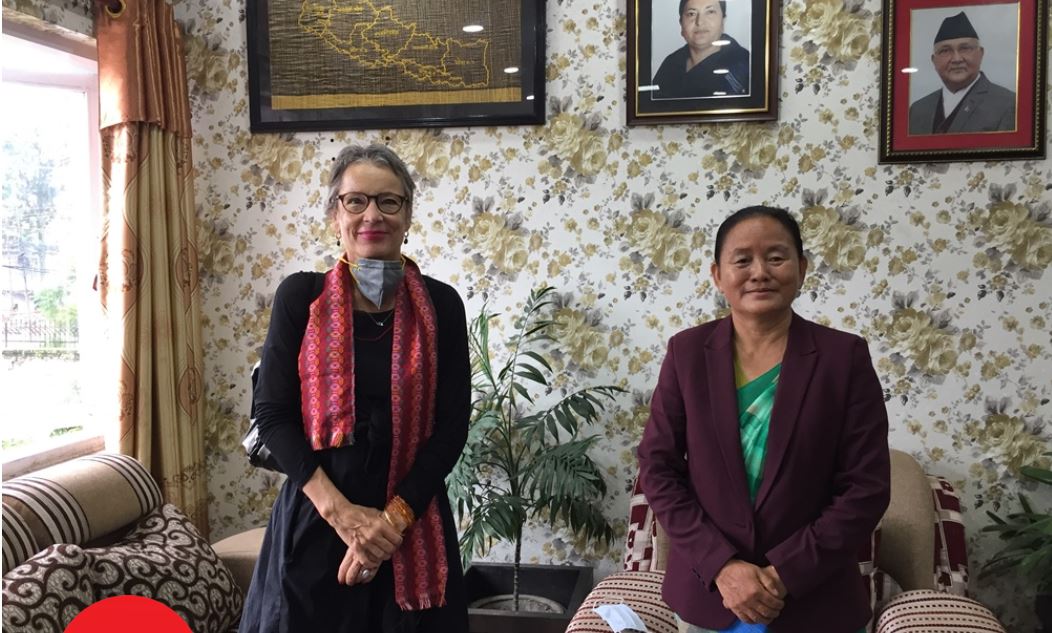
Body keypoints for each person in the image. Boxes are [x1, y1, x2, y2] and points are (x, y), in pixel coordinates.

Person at [239, 144, 471, 632]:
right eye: (355, 201)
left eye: (389, 201)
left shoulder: (442, 306)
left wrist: (388, 525)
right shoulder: (300, 297)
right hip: (316, 521)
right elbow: (272, 415)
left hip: (411, 525)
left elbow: (451, 428)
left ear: (407, 217)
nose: (372, 215)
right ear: (335, 216)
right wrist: (343, 516)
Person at [637, 206, 890, 633]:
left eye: (776, 257)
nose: (759, 273)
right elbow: (658, 468)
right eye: (742, 260)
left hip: (815, 600)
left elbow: (866, 486)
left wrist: (784, 573)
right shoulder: (687, 353)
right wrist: (721, 566)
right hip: (709, 596)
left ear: (802, 268)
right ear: (717, 275)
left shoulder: (843, 358)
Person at [908, 11, 1016, 135]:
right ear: (934, 60)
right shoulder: (917, 109)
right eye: (945, 51)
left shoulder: (1008, 104)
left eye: (965, 48)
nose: (956, 59)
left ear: (980, 54)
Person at [652, 0, 751, 99]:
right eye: (691, 14)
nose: (700, 22)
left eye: (710, 12)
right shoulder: (671, 62)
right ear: (681, 23)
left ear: (723, 20)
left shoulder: (744, 66)